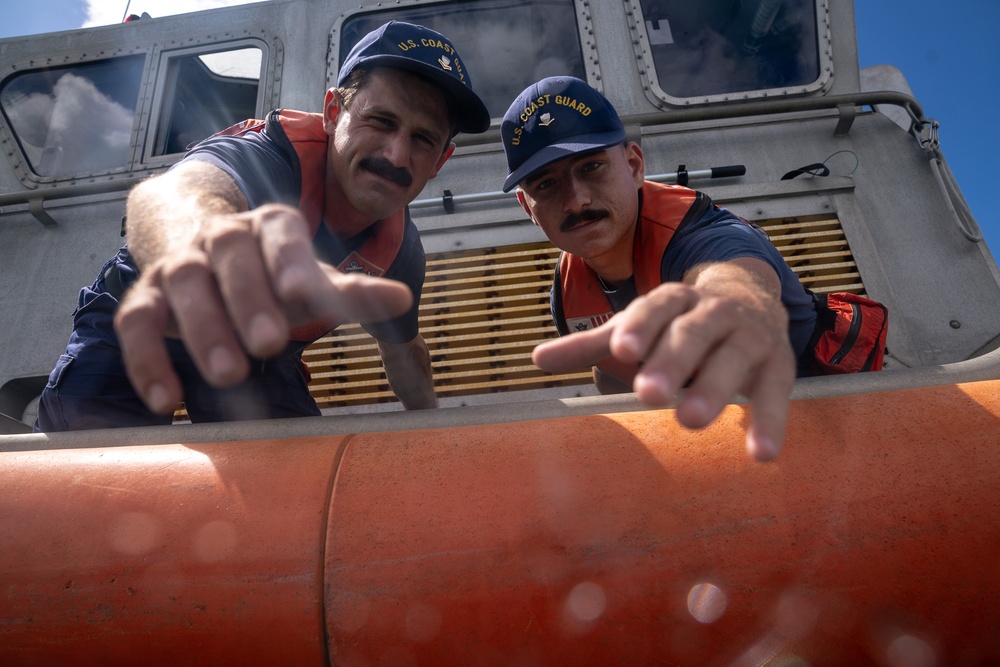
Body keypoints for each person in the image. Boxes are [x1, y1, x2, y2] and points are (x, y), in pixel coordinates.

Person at [34, 21, 491, 432]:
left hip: (259, 361)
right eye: (380, 121)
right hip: (140, 320)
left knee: (295, 494)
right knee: (85, 483)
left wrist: (438, 431)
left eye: (423, 139)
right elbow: (183, 192)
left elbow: (404, 354)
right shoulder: (264, 158)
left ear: (441, 162)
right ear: (333, 113)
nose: (395, 155)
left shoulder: (400, 255)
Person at [500, 76, 821, 462]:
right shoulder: (565, 295)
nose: (575, 201)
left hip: (820, 420)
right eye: (547, 184)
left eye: (592, 167)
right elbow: (611, 370)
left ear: (634, 165)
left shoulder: (702, 236)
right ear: (527, 208)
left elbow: (734, 277)